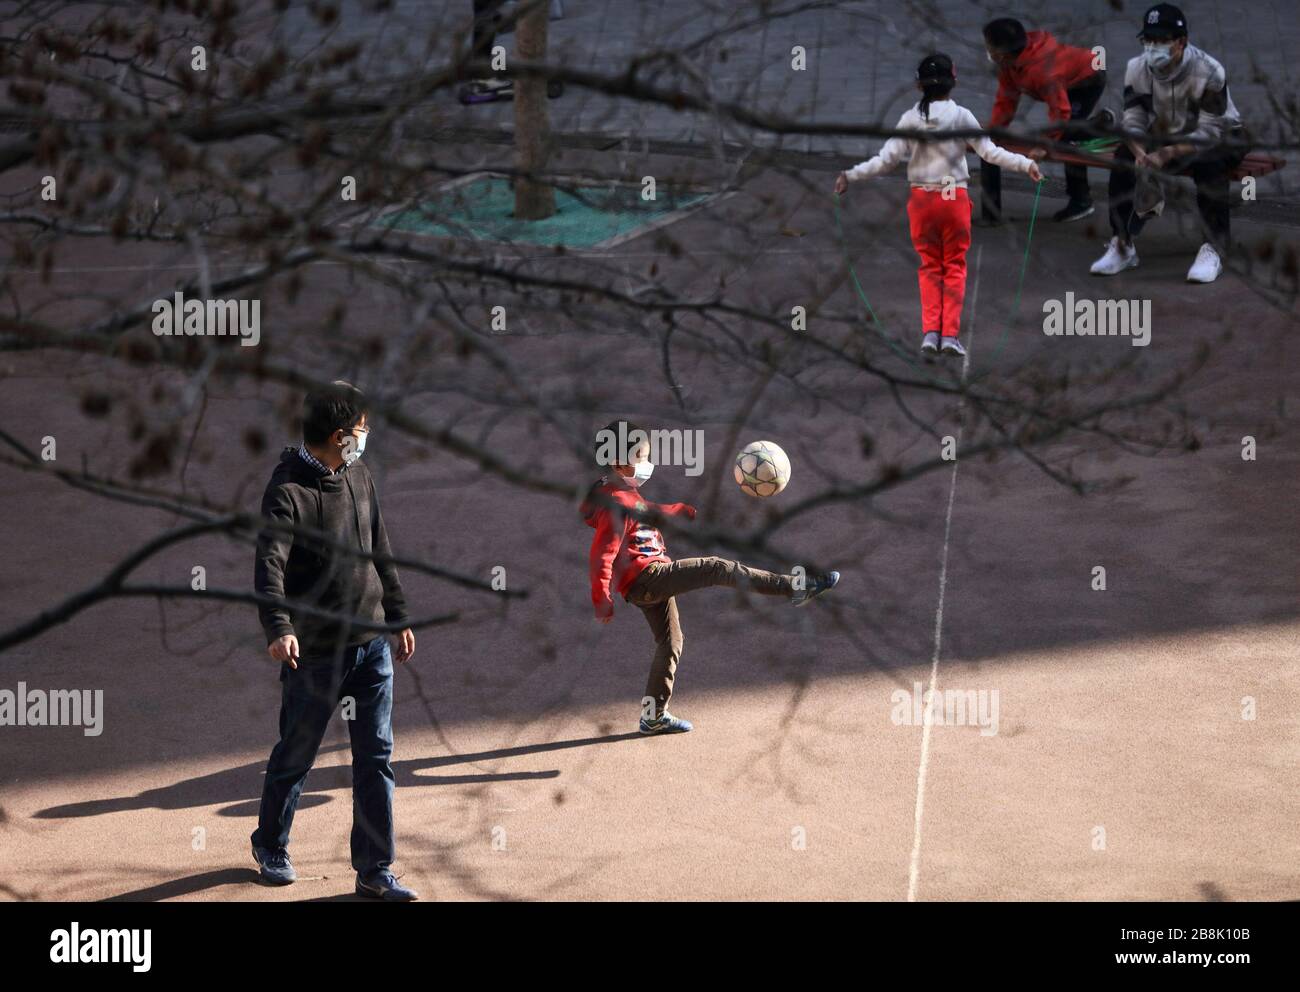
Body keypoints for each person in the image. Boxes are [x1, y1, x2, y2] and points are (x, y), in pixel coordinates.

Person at [251, 382, 418, 901]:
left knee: (376, 757)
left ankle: (374, 868)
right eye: (363, 430)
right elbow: (269, 565)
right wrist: (280, 627)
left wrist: (398, 613)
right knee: (297, 752)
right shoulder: (288, 491)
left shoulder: (359, 476)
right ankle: (271, 842)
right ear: (340, 435)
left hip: (370, 646)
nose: (367, 438)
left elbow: (379, 547)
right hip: (317, 653)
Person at [582, 422, 840, 734]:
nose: (648, 464)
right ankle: (796, 587)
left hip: (646, 583)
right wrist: (602, 601)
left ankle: (653, 715)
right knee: (716, 567)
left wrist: (679, 511)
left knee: (671, 642)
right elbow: (602, 556)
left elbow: (646, 510)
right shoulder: (614, 504)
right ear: (620, 463)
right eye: (641, 457)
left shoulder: (620, 492)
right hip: (649, 577)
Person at [834, 53, 1043, 359]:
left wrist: (850, 175)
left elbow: (885, 161)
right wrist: (1026, 165)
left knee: (930, 266)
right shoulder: (961, 116)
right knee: (954, 267)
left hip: (921, 199)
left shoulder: (909, 119)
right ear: (953, 82)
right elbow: (990, 153)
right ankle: (950, 335)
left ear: (919, 86)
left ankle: (930, 333)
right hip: (952, 197)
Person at [1090, 3, 1248, 284]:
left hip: (1224, 133)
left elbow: (1211, 131)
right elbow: (1134, 119)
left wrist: (1165, 153)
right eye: (1148, 40)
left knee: (1208, 161)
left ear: (1181, 42)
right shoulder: (1137, 68)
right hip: (1170, 132)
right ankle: (1123, 245)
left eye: (1162, 40)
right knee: (1124, 155)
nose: (1153, 47)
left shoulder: (1210, 70)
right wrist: (1141, 153)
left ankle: (1214, 248)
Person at [980, 17, 1107, 224]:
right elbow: (1006, 100)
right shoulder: (1008, 64)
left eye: (989, 46)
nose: (987, 50)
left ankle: (1081, 202)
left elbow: (1060, 112)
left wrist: (1045, 146)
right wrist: (995, 130)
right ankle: (1097, 125)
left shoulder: (1043, 71)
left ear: (1001, 51)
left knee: (1065, 139)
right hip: (1064, 84)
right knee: (1064, 132)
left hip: (1087, 78)